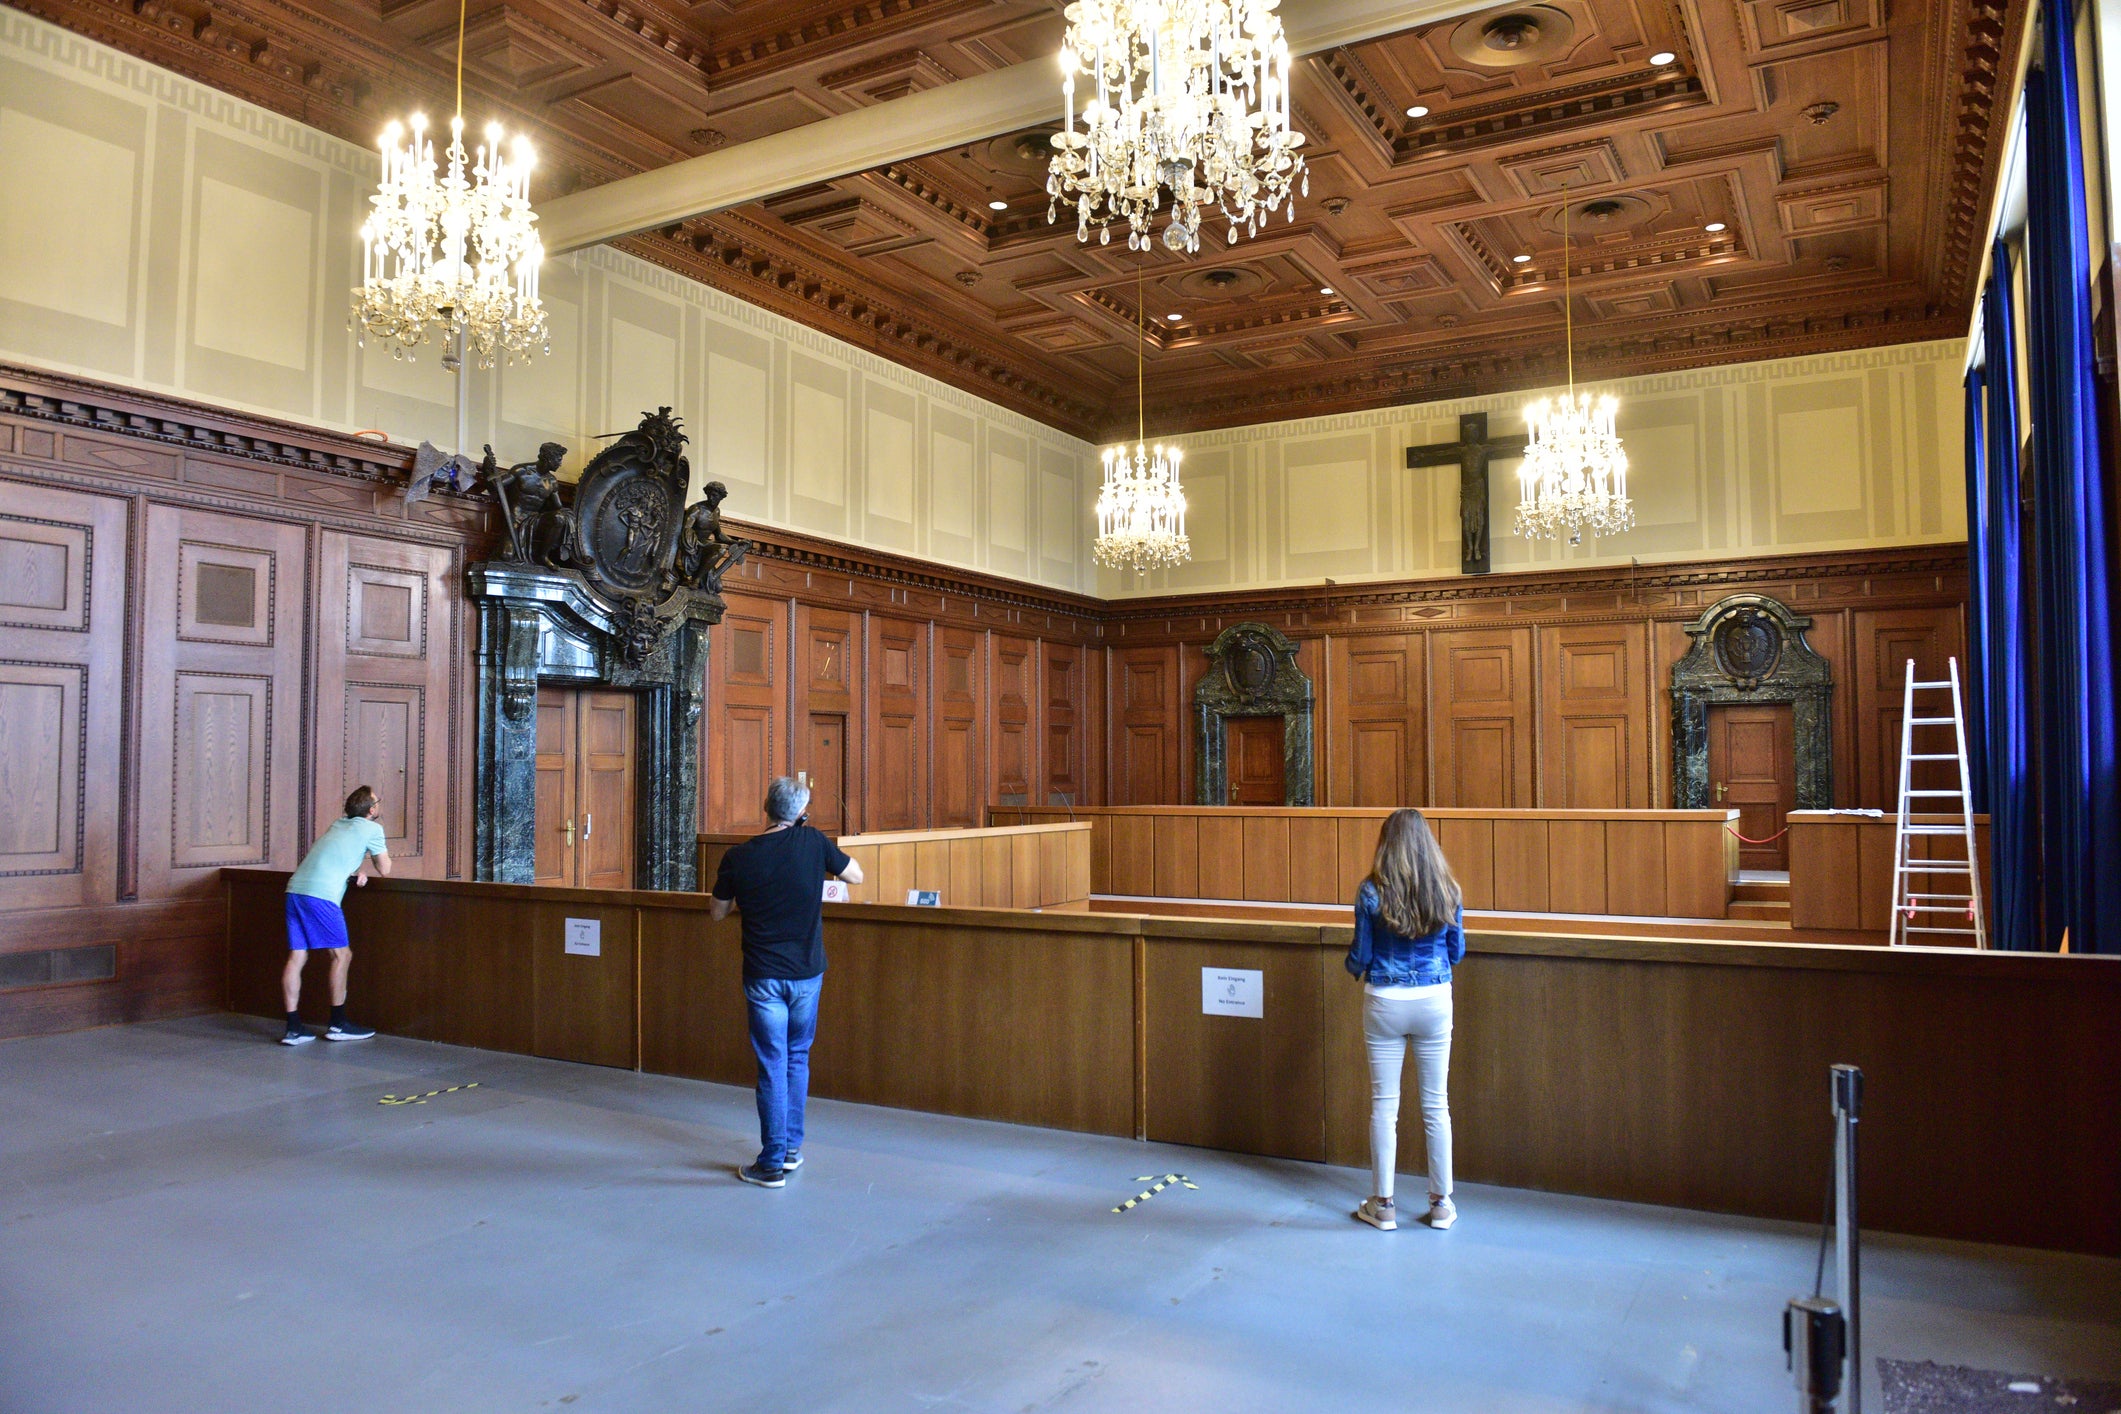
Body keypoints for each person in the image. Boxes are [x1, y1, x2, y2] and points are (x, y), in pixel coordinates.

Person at [708, 777, 865, 1188]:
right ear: (801, 812)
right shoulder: (814, 842)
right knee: (797, 1058)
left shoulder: (739, 856)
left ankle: (771, 1162)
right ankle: (791, 1151)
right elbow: (857, 876)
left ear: (766, 807)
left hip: (763, 975)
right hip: (807, 973)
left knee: (771, 1065)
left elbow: (718, 913)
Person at [1344, 807, 1465, 1232]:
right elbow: (1456, 953)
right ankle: (1442, 1205)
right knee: (1436, 1105)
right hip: (1434, 997)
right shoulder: (1447, 888)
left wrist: (1350, 965)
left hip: (1385, 1000)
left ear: (1386, 843)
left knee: (1384, 1105)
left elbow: (1360, 956)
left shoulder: (1370, 892)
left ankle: (1384, 1206)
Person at [280, 786, 391, 1046]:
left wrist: (356, 869)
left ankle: (294, 1028)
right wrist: (369, 863)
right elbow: (385, 868)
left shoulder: (338, 824)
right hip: (321, 896)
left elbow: (337, 853)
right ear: (372, 810)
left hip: (295, 891)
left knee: (297, 955)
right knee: (342, 955)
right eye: (378, 802)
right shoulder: (373, 829)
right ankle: (338, 1024)